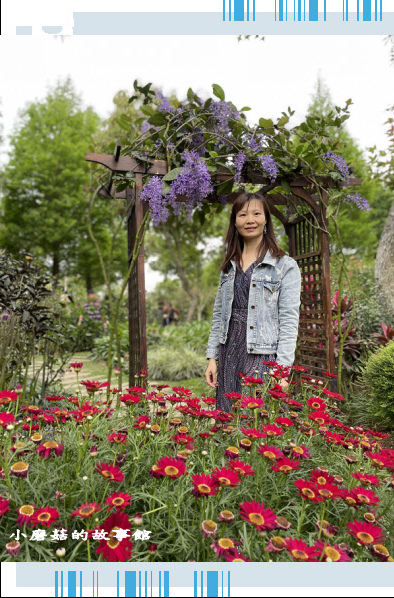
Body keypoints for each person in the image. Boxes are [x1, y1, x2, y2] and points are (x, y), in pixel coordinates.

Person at [205, 192, 301, 413]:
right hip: (229, 353)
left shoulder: (284, 266)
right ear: (235, 222)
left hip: (262, 356)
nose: (250, 220)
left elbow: (289, 320)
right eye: (242, 214)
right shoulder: (229, 266)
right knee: (228, 420)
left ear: (266, 219)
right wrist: (212, 357)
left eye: (256, 213)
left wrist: (282, 370)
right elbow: (219, 315)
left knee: (258, 422)